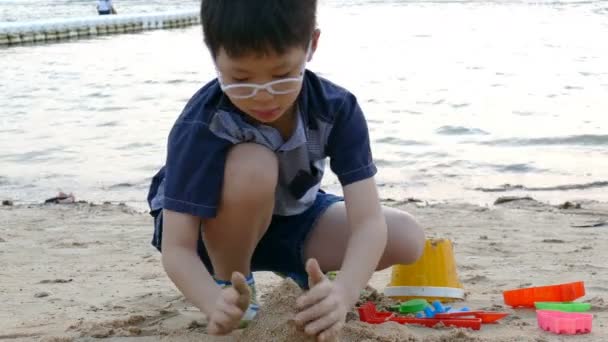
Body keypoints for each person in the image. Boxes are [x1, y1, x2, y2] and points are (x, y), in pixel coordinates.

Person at [146, 0, 425, 340]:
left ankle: (304, 273)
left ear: (312, 45)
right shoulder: (203, 122)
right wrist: (212, 300)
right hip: (211, 232)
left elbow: (367, 221)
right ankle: (234, 282)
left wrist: (346, 292)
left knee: (406, 237)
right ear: (213, 54)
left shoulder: (336, 108)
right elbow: (178, 248)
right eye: (241, 79)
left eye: (281, 76)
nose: (263, 97)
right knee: (255, 165)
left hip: (290, 217)